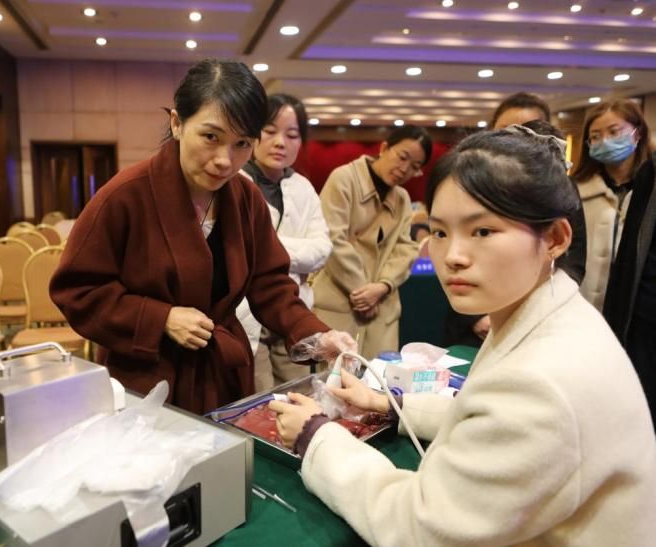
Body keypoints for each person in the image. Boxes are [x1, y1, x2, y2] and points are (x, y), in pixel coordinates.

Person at [269, 127, 656, 546]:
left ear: (556, 239)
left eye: (483, 231)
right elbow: (489, 417)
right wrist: (388, 405)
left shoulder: (541, 383)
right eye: (439, 232)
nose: (452, 256)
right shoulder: (552, 315)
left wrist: (316, 437)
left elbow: (422, 528)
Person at [49, 59, 343, 414]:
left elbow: (269, 284)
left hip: (223, 377)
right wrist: (161, 318)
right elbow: (78, 291)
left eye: (241, 144)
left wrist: (317, 335)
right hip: (147, 379)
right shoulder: (125, 195)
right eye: (211, 137)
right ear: (177, 123)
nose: (225, 160)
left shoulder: (246, 199)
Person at [445, 98, 588, 348]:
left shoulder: (561, 191)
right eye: (508, 131)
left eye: (528, 130)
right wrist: (477, 317)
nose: (518, 139)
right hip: (473, 324)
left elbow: (574, 260)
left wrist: (535, 308)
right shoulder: (466, 184)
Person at [235, 93, 332, 392]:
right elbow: (241, 247)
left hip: (293, 313)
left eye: (292, 135)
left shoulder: (303, 187)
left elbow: (322, 250)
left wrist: (268, 246)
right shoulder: (235, 181)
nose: (280, 143)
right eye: (269, 131)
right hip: (246, 316)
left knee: (300, 398)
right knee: (259, 402)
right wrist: (293, 253)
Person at [312, 126, 430, 359]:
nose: (405, 169)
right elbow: (333, 239)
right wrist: (362, 292)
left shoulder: (402, 198)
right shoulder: (344, 178)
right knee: (334, 374)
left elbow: (405, 248)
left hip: (382, 307)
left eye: (415, 166)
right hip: (340, 301)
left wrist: (382, 286)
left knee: (379, 375)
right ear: (384, 148)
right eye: (402, 157)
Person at [572, 98, 655, 422]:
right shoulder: (576, 190)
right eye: (595, 136)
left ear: (637, 132)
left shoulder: (648, 188)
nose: (604, 141)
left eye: (614, 131)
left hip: (634, 316)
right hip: (583, 307)